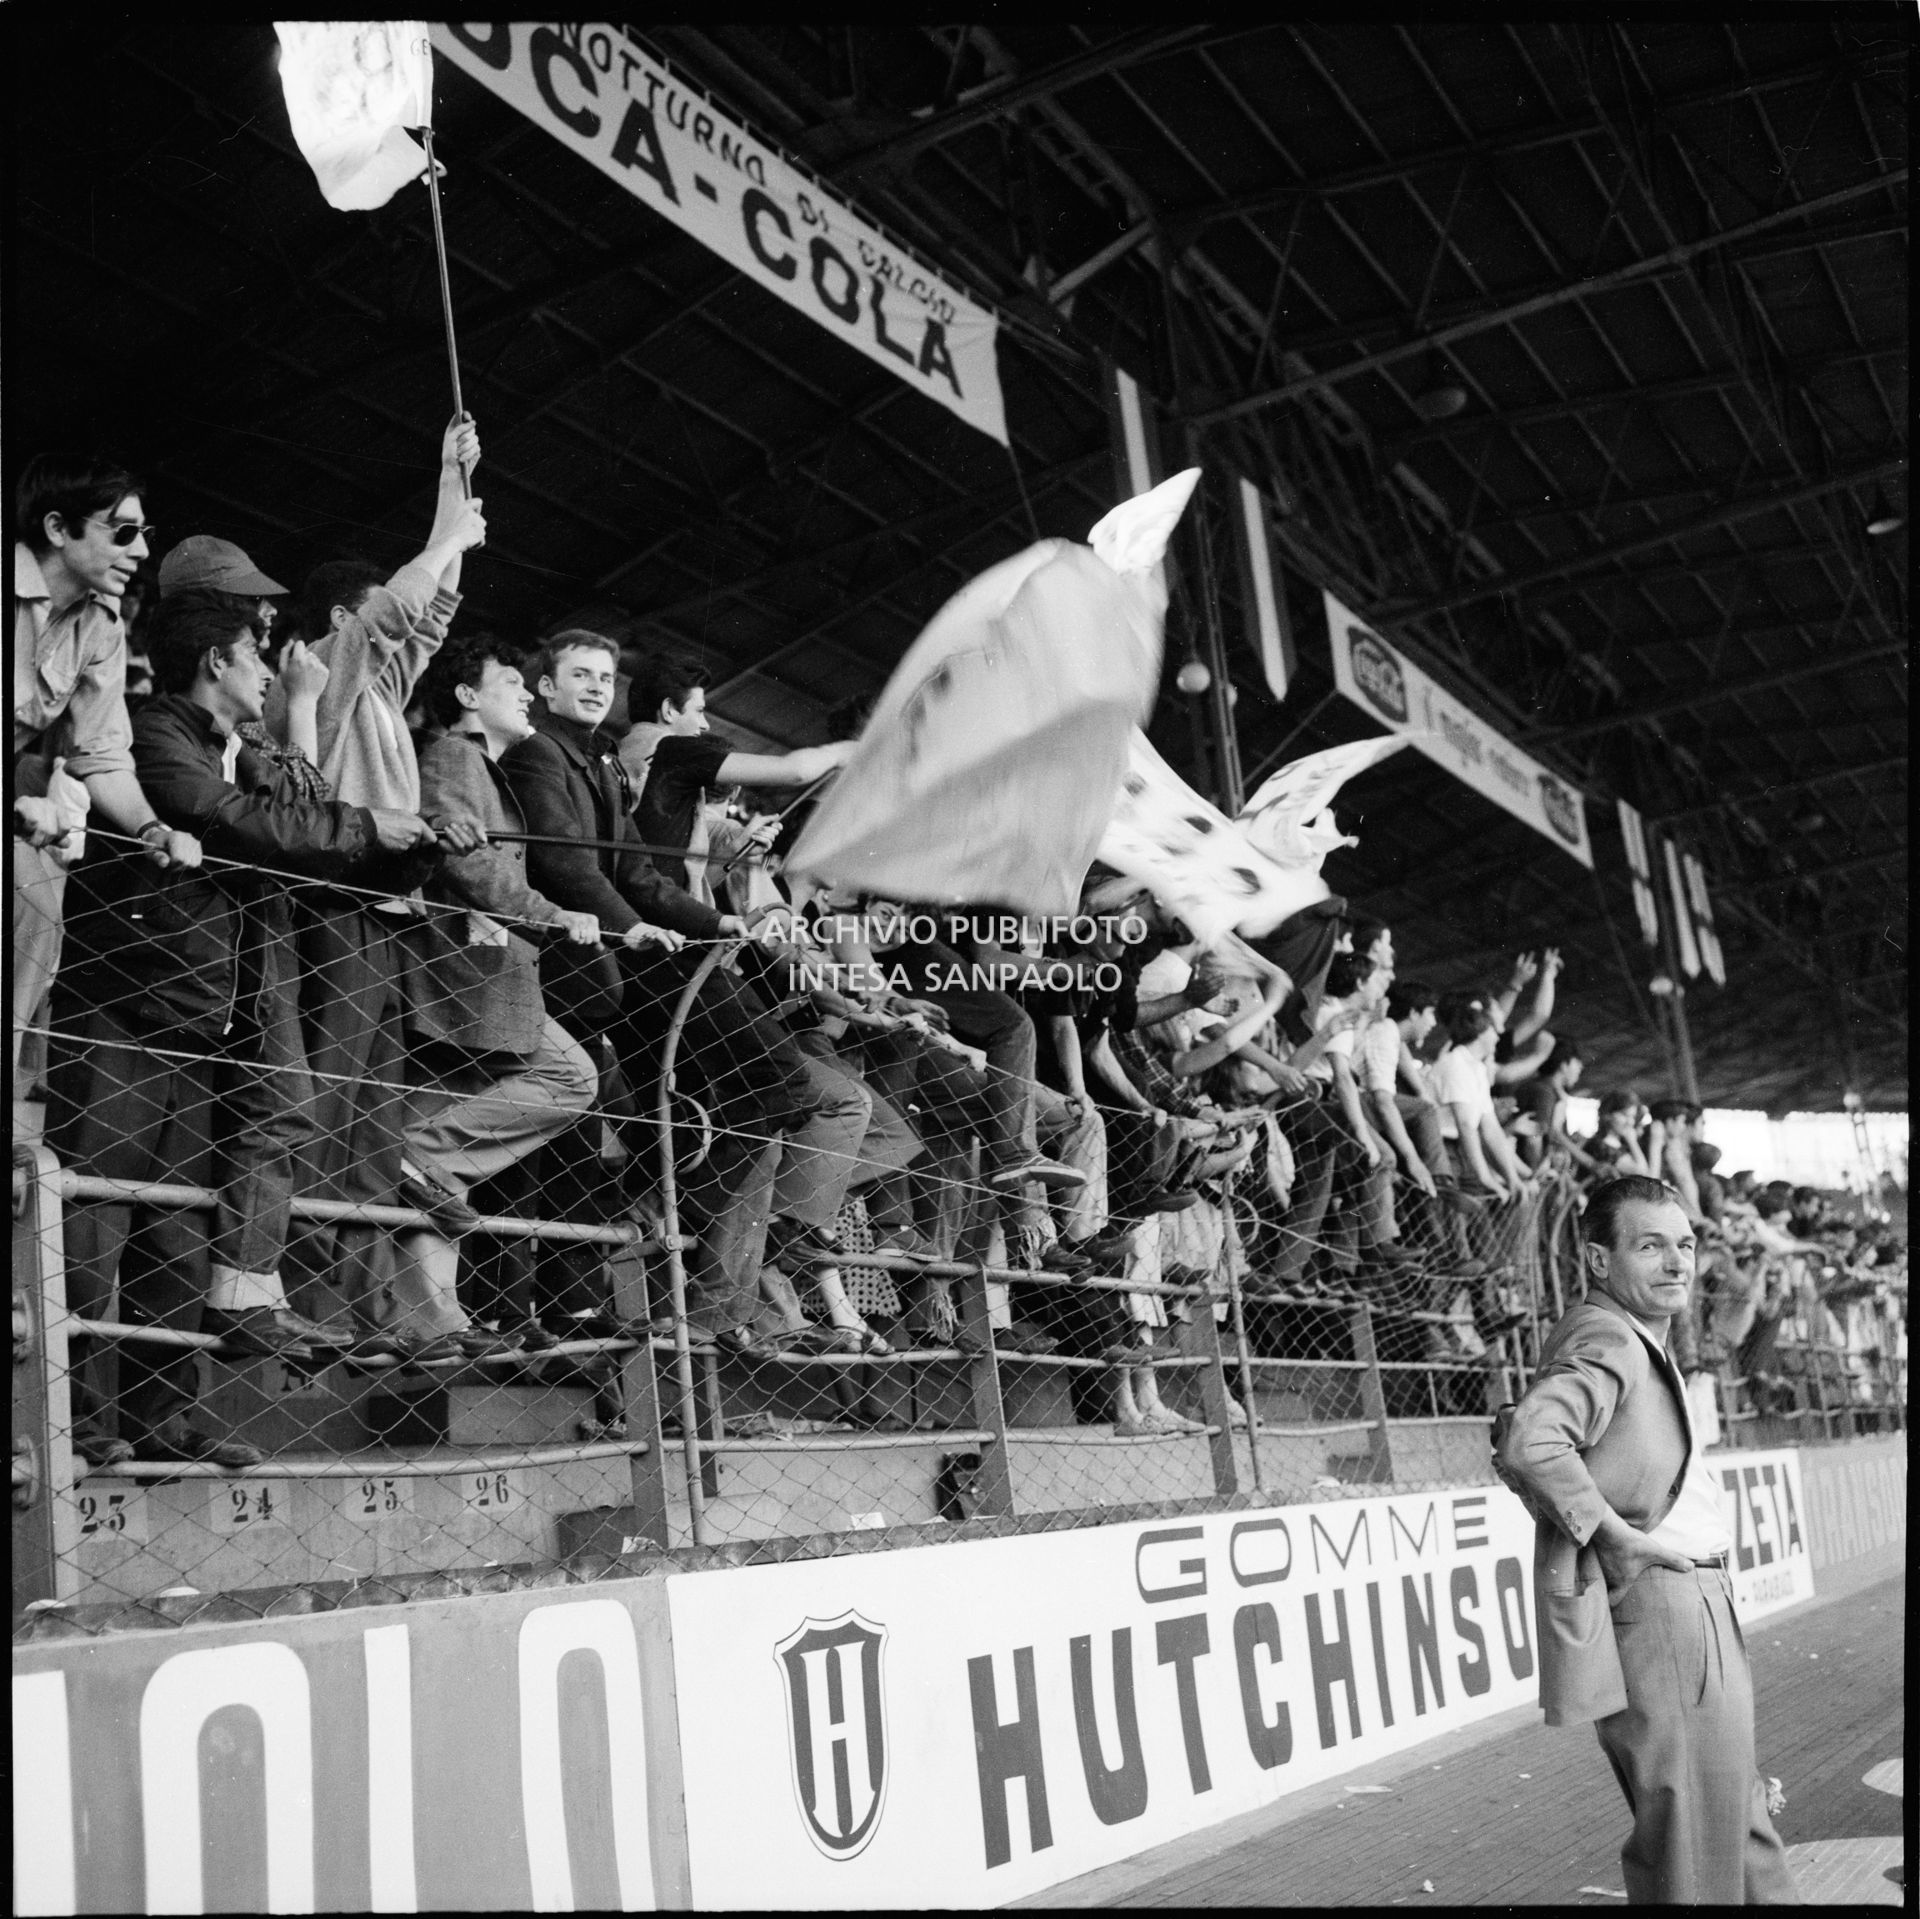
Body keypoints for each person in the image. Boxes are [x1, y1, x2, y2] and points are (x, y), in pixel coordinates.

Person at [50, 592, 433, 1465]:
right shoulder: (155, 734)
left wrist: (401, 845)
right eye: (257, 656)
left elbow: (300, 822)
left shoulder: (239, 750)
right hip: (124, 1011)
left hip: (201, 1024)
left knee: (176, 1235)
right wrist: (368, 823)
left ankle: (161, 1419)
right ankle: (77, 1424)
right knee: (91, 1232)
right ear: (215, 663)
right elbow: (235, 822)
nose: (271, 671)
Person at [1495, 1175, 1798, 1905]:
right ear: (1601, 1260)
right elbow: (1531, 1440)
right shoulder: (1607, 1334)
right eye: (1651, 1245)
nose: (1677, 1262)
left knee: (1739, 1824)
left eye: (1686, 1244)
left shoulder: (1635, 1337)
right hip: (1664, 1605)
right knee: (1692, 1842)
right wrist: (1616, 1536)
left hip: (1694, 1599)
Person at [399, 632, 606, 1353]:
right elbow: (470, 865)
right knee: (568, 1076)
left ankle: (437, 1319)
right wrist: (552, 915)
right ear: (465, 697)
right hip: (464, 971)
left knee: (445, 1149)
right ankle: (422, 1161)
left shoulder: (482, 764)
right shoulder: (455, 755)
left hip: (485, 972)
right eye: (511, 681)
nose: (524, 694)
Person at [13, 453, 202, 1093]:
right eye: (122, 532)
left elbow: (102, 753)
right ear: (59, 529)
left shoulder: (101, 625)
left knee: (37, 902)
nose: (140, 552)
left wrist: (152, 831)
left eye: (143, 535)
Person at [619, 650, 856, 897]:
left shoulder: (627, 752)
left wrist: (736, 848)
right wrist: (844, 751)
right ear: (669, 710)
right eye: (699, 711)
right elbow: (794, 771)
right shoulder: (673, 750)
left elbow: (687, 889)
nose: (705, 725)